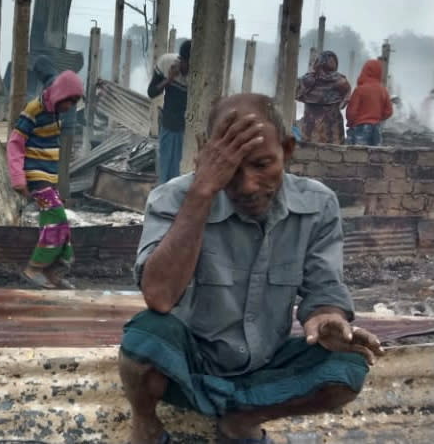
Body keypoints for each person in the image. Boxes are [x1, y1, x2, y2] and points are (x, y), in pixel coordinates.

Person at [118, 93, 384, 444]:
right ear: (206, 153)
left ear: (287, 151)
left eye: (261, 165)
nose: (246, 186)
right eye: (230, 167)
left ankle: (242, 420)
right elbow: (160, 297)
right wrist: (203, 190)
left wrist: (326, 319)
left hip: (266, 368)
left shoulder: (318, 204)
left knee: (347, 367)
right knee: (144, 338)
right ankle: (146, 425)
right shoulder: (173, 198)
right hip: (189, 367)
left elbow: (323, 291)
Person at [6, 70, 84, 289]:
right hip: (35, 175)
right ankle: (34, 268)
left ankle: (53, 272)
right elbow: (15, 143)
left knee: (61, 224)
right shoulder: (35, 109)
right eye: (71, 101)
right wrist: (18, 178)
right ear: (61, 95)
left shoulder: (54, 110)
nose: (71, 107)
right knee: (56, 220)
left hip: (47, 177)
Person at [148, 40, 190, 184]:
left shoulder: (198, 74)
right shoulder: (166, 63)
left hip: (186, 129)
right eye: (187, 64)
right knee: (165, 168)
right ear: (181, 59)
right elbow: (151, 92)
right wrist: (169, 80)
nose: (189, 68)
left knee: (180, 171)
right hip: (169, 124)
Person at [296, 51, 351, 144]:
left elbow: (297, 94)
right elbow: (344, 103)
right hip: (331, 132)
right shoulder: (341, 81)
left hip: (313, 129)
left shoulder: (307, 79)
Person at [345, 60, 393, 146]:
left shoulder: (360, 90)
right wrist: (377, 118)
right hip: (377, 128)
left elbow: (351, 113)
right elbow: (389, 111)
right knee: (375, 155)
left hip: (360, 128)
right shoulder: (383, 90)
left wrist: (352, 123)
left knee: (359, 155)